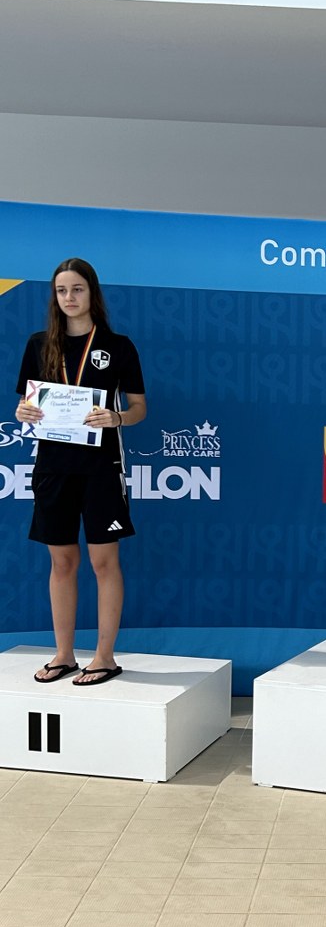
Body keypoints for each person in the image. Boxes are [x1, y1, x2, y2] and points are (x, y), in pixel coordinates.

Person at [15, 258, 147, 686]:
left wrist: (117, 417)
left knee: (103, 562)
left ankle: (105, 657)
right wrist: (23, 411)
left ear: (92, 293)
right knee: (62, 562)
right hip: (53, 468)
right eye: (61, 290)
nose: (69, 297)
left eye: (77, 289)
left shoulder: (118, 346)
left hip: (101, 468)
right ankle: (64, 655)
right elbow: (26, 405)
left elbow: (139, 408)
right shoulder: (39, 344)